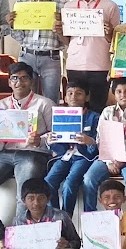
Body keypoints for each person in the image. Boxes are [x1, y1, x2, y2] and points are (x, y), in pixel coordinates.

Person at [0, 63, 55, 211]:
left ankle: (19, 233)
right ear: (9, 82)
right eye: (15, 78)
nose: (19, 82)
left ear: (32, 81)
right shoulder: (0, 105)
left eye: (24, 78)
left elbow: (55, 134)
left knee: (24, 197)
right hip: (6, 154)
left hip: (33, 154)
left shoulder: (44, 104)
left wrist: (40, 140)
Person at [81, 77, 126, 212]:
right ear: (114, 93)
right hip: (108, 157)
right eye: (119, 91)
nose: (123, 95)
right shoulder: (107, 112)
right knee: (88, 179)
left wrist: (123, 160)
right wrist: (109, 161)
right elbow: (101, 139)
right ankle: (90, 219)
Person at [64, 0, 123, 110]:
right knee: (75, 108)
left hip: (100, 65)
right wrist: (59, 31)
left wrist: (109, 32)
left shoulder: (110, 6)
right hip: (74, 64)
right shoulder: (69, 6)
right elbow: (66, 40)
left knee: (97, 107)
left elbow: (116, 42)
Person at [7, 0, 66, 100]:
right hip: (27, 55)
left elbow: (65, 41)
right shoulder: (22, 3)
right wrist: (12, 25)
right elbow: (20, 37)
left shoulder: (63, 5)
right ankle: (27, 123)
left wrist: (60, 28)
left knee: (51, 99)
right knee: (24, 97)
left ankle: (47, 123)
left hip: (51, 57)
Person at [44, 80, 99, 211]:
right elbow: (55, 145)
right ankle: (56, 217)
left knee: (69, 184)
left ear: (87, 97)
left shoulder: (94, 117)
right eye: (70, 93)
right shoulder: (59, 116)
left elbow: (99, 144)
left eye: (79, 93)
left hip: (83, 157)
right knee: (48, 182)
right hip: (64, 156)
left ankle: (66, 218)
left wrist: (90, 141)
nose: (74, 97)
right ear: (65, 97)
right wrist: (50, 141)